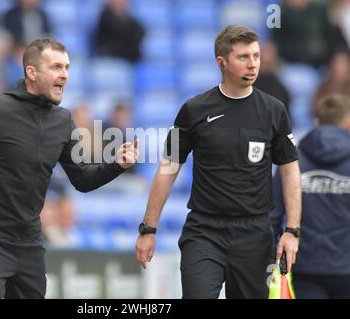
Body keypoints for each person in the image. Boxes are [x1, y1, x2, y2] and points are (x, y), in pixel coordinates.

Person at [0, 38, 139, 299]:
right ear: (31, 72)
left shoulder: (63, 120)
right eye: (56, 67)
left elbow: (81, 178)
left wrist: (117, 165)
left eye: (67, 67)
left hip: (30, 244)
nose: (65, 75)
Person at [135, 25, 302, 299]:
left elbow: (290, 169)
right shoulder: (193, 110)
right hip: (204, 231)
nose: (253, 64)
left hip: (254, 234)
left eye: (256, 56)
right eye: (243, 57)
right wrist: (148, 228)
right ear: (221, 63)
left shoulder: (274, 111)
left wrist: (292, 230)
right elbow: (168, 167)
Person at [271, 94, 350, 299]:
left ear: (316, 121)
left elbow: (273, 213)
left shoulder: (292, 160)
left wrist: (270, 258)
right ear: (348, 122)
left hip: (305, 264)